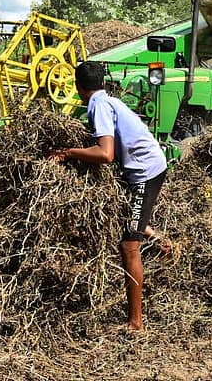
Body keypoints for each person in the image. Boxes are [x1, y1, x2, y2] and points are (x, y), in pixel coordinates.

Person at [50, 61, 168, 331]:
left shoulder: (98, 106)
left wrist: (68, 153)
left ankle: (135, 322)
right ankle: (164, 245)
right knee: (127, 213)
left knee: (128, 246)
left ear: (78, 87)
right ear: (102, 83)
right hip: (147, 165)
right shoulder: (109, 100)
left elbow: (105, 154)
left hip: (144, 173)